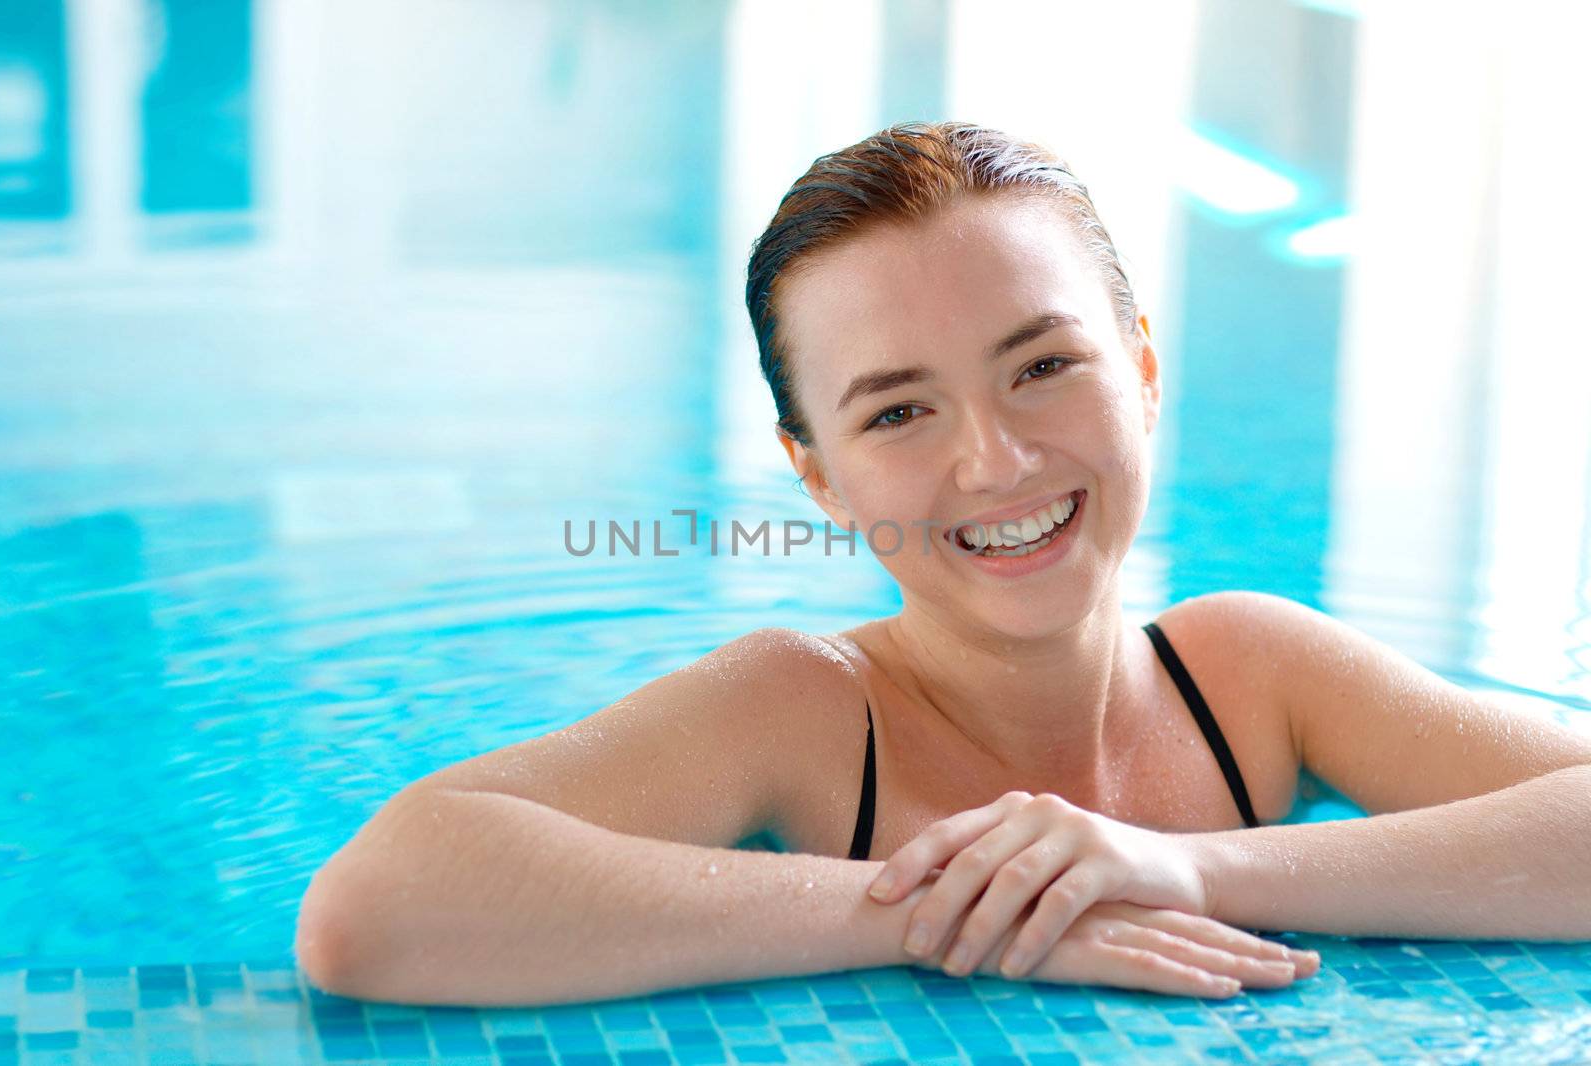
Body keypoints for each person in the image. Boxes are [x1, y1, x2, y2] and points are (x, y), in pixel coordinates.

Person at [293, 122, 1591, 1007]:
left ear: (1141, 370)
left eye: (1043, 366)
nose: (997, 460)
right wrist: (939, 907)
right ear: (818, 473)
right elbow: (373, 907)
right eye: (899, 411)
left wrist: (1186, 868)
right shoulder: (802, 712)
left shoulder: (1251, 676)